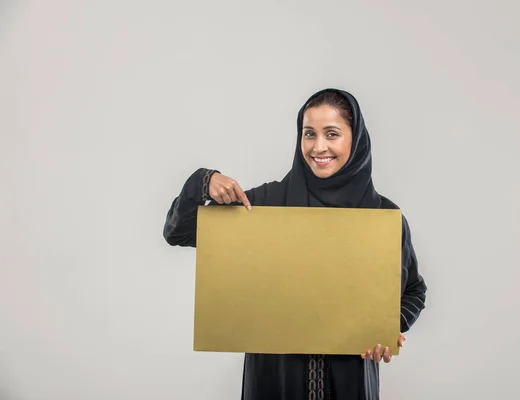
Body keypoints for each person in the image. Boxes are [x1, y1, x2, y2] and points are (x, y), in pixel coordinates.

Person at [162, 88, 427, 400]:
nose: (319, 146)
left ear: (355, 140)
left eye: (332, 134)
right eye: (309, 134)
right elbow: (178, 232)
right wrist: (203, 182)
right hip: (273, 382)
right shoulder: (264, 206)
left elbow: (413, 290)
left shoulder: (382, 216)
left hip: (350, 382)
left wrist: (384, 326)